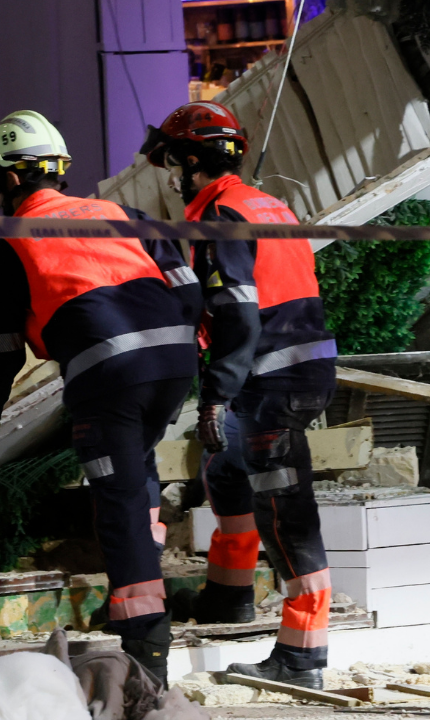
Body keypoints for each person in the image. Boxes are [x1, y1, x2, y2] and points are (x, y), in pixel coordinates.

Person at [0, 110, 200, 685]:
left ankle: (146, 652)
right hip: (173, 362)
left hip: (109, 375)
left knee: (114, 502)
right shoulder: (124, 215)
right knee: (134, 472)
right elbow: (186, 292)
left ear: (11, 180)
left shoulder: (8, 245)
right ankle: (138, 583)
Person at [141, 101, 338, 690]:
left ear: (194, 160)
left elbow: (237, 316)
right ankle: (228, 597)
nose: (171, 174)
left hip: (270, 378)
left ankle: (302, 659)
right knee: (225, 471)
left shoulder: (221, 215)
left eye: (174, 160)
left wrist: (215, 396)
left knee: (286, 515)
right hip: (291, 369)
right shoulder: (265, 204)